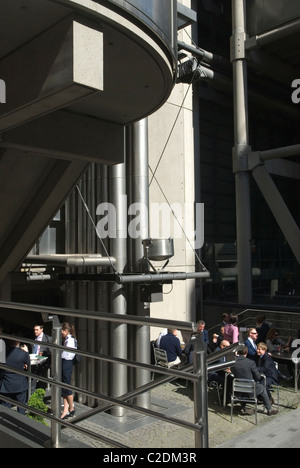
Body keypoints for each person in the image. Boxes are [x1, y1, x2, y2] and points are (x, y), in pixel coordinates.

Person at [232, 346, 278, 416]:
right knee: (262, 388)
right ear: (246, 352)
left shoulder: (233, 362)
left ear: (237, 352)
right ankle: (269, 409)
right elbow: (258, 377)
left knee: (243, 385)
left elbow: (233, 372)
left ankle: (243, 407)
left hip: (237, 391)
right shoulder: (250, 363)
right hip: (250, 391)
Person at [0, 340, 30, 415]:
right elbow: (28, 364)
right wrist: (26, 352)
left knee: (5, 407)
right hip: (20, 385)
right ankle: (21, 424)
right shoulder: (23, 354)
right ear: (19, 343)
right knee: (21, 408)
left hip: (6, 385)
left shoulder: (3, 354)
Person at [61, 322, 77, 420]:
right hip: (67, 363)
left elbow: (68, 355)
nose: (61, 333)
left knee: (67, 386)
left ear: (66, 331)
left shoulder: (70, 340)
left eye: (62, 331)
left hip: (67, 363)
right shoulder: (69, 339)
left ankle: (71, 408)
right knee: (64, 387)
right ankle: (66, 409)